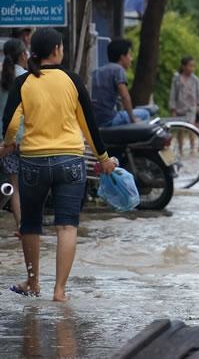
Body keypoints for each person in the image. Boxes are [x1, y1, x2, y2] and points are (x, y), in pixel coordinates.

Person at [2, 28, 116, 301]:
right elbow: (89, 125)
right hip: (70, 161)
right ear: (56, 50)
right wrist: (103, 159)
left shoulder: (24, 83)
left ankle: (33, 282)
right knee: (67, 226)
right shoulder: (72, 81)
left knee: (30, 224)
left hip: (32, 162)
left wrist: (7, 144)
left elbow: (12, 123)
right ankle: (60, 291)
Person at [0, 38, 28, 235]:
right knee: (33, 185)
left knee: (15, 186)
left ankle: (21, 226)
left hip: (6, 141)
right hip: (29, 140)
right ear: (23, 55)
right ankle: (34, 226)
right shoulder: (29, 78)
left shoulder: (2, 78)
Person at [91, 39, 150, 127]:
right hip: (109, 120)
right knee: (145, 113)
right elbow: (125, 97)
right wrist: (132, 118)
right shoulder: (118, 69)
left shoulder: (97, 71)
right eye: (129, 55)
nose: (131, 59)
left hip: (95, 120)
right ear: (122, 57)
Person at [169, 56, 199, 154]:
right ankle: (180, 149)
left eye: (193, 66)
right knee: (180, 129)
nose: (192, 68)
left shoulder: (195, 79)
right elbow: (173, 94)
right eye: (190, 66)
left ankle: (192, 148)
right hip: (180, 107)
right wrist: (173, 108)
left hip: (191, 108)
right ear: (183, 66)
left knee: (191, 128)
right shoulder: (177, 79)